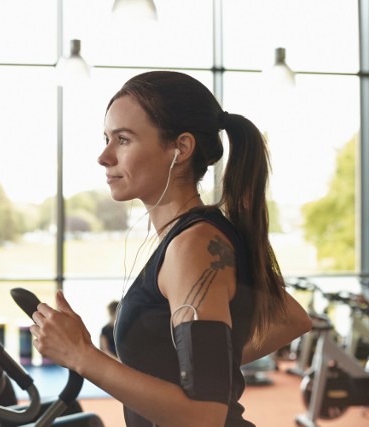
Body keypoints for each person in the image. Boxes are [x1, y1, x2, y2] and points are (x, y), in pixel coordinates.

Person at [29, 71, 312, 426]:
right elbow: (291, 317)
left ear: (180, 148)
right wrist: (203, 368)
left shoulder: (193, 246)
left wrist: (81, 355)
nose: (104, 156)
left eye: (123, 140)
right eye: (106, 138)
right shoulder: (193, 237)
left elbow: (205, 418)